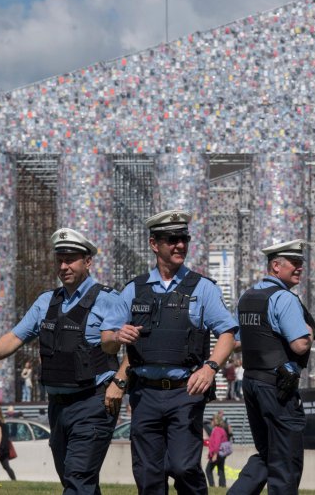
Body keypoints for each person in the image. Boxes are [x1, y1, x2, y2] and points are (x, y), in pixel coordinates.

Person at [0, 228, 122, 494]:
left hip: (93, 402)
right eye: (59, 259)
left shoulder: (108, 300)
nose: (64, 266)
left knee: (78, 477)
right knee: (75, 479)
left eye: (71, 259)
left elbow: (135, 347)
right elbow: (16, 337)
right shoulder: (45, 302)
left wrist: (119, 382)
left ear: (87, 261)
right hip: (58, 407)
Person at [102, 209, 237, 495]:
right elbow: (106, 341)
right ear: (154, 244)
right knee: (149, 476)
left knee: (182, 467)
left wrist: (210, 367)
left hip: (184, 392)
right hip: (144, 394)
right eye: (172, 239)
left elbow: (227, 332)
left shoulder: (203, 288)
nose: (180, 245)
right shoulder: (134, 289)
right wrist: (117, 335)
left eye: (184, 239)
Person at [228, 239, 315, 495]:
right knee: (286, 460)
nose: (300, 268)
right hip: (278, 387)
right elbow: (300, 345)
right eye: (295, 263)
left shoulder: (247, 297)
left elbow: (235, 342)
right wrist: (309, 333)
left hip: (252, 383)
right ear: (276, 266)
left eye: (301, 263)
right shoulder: (283, 298)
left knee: (267, 453)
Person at [206, 413, 229, 488]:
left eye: (212, 420)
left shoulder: (217, 430)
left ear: (215, 421)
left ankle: (212, 486)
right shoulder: (222, 430)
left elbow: (217, 443)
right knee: (221, 470)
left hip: (217, 454)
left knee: (208, 470)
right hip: (222, 454)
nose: (211, 422)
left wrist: (215, 454)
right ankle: (222, 485)